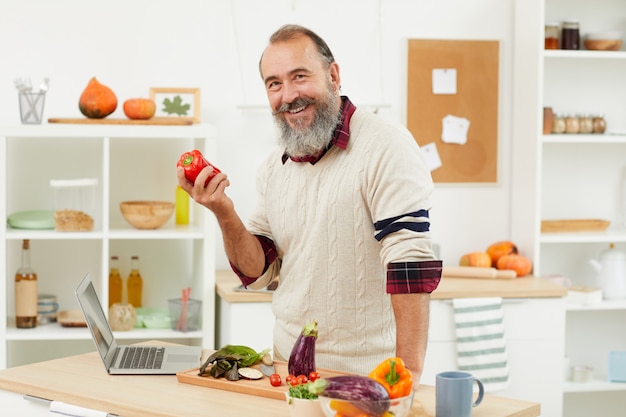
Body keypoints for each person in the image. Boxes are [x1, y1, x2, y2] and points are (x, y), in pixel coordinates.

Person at [177, 24, 442, 385]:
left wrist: (406, 377)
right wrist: (223, 210)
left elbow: (409, 263)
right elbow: (258, 273)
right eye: (274, 83)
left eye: (299, 76)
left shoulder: (386, 145)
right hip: (288, 373)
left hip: (367, 376)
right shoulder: (274, 167)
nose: (288, 95)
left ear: (333, 75)